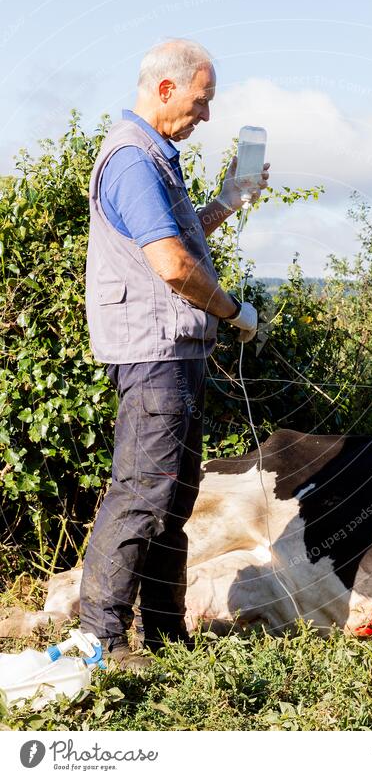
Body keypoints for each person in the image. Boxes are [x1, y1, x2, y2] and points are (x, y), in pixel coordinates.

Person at [79, 38, 270, 671]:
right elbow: (170, 266)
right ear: (166, 89)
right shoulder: (133, 160)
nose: (207, 115)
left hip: (172, 351)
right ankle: (99, 640)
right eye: (201, 99)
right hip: (155, 353)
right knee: (142, 492)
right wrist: (233, 312)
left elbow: (172, 239)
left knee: (174, 492)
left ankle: (164, 633)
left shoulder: (154, 159)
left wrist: (227, 202)